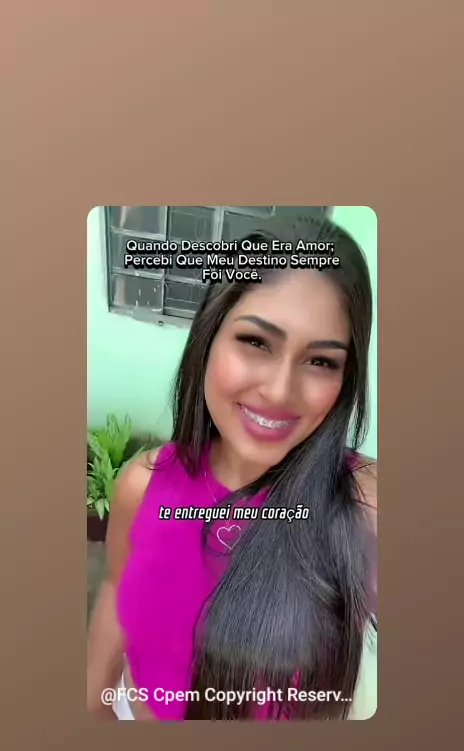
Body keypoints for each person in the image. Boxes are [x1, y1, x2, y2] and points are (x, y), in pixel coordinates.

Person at [87, 213, 377, 721]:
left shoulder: (365, 503)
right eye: (256, 342)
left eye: (320, 361)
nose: (279, 392)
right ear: (209, 336)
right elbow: (117, 590)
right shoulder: (144, 484)